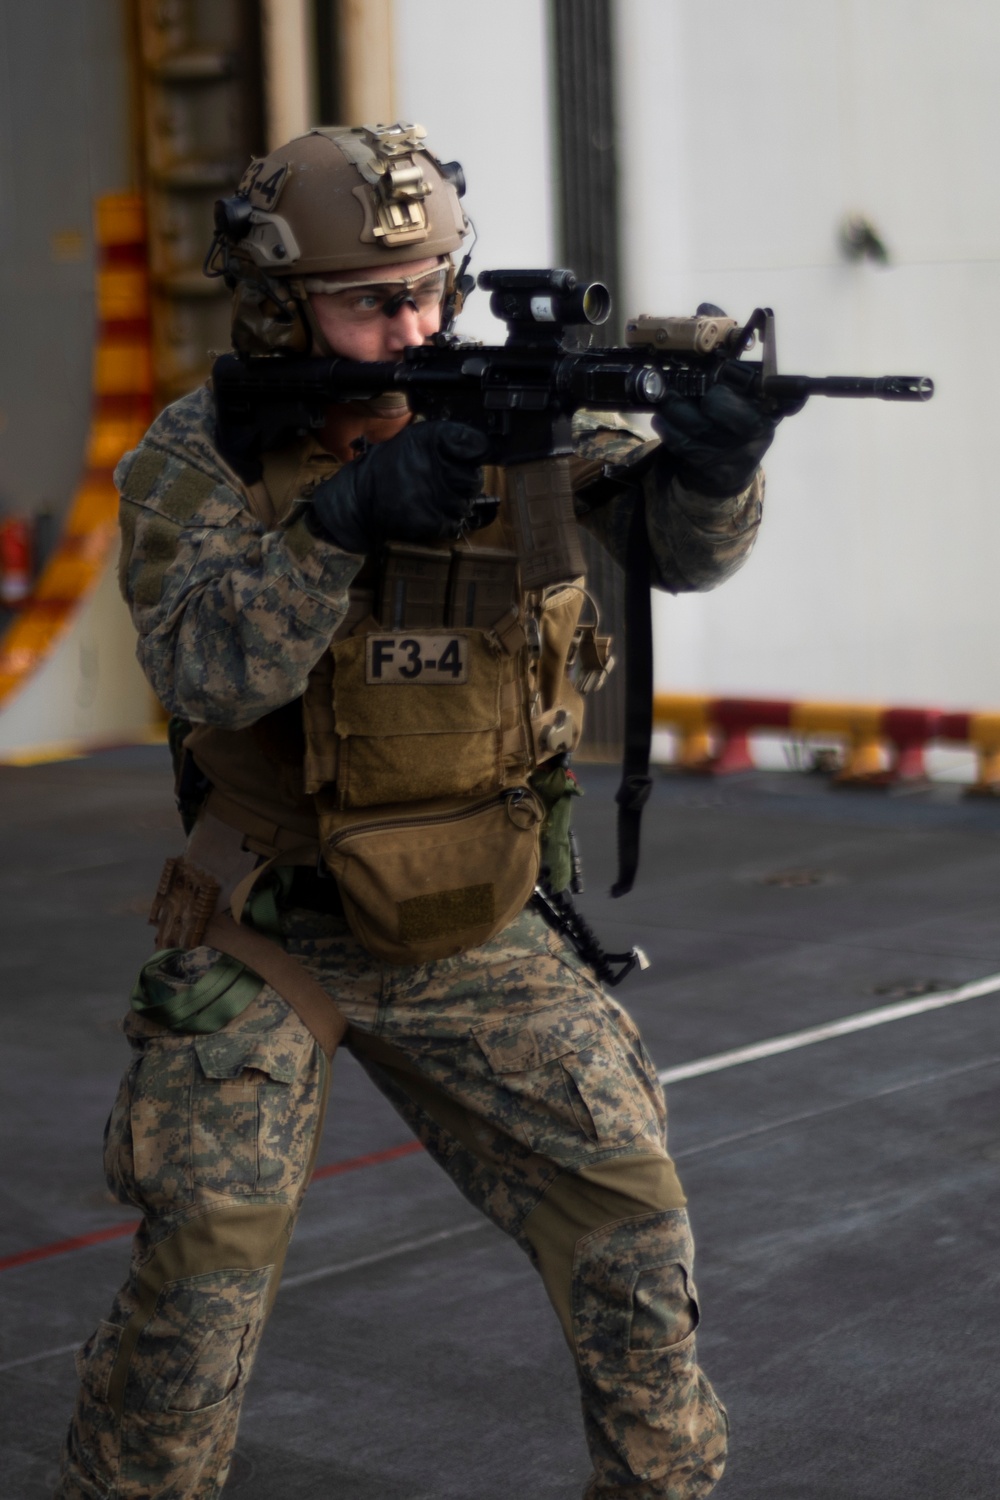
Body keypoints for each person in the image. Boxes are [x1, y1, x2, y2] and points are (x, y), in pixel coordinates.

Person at [56, 122, 776, 1500]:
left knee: (636, 1239)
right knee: (199, 1288)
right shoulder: (198, 459)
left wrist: (721, 463)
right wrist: (341, 523)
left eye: (435, 287)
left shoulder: (522, 420)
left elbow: (680, 552)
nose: (418, 325)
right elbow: (202, 662)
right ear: (278, 308)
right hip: (268, 913)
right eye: (371, 303)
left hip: (478, 914)